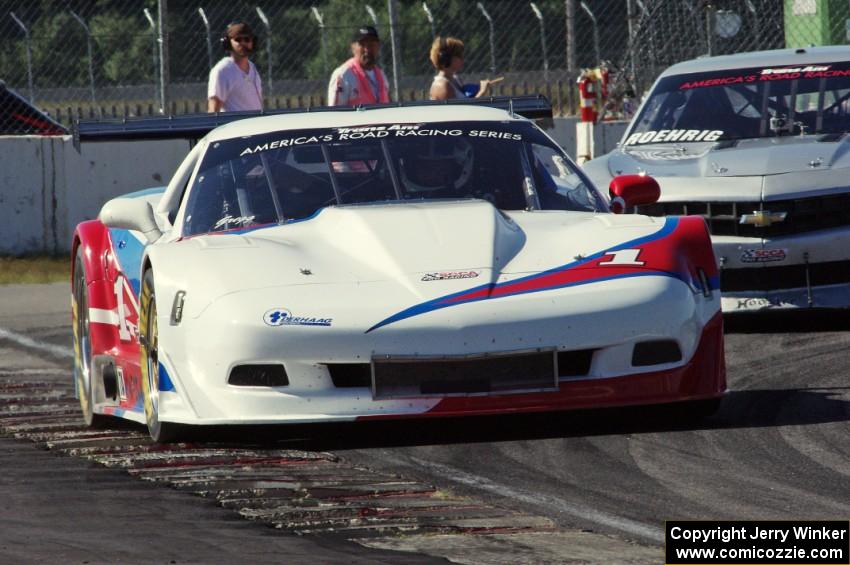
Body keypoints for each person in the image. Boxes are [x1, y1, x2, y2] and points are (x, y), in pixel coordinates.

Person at [327, 25, 390, 106]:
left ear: (378, 47)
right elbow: (335, 113)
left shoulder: (381, 75)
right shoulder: (344, 75)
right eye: (362, 44)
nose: (367, 50)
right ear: (353, 47)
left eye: (371, 44)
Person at [207, 22, 263, 112]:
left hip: (254, 124)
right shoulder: (223, 70)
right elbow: (214, 111)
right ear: (228, 43)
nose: (243, 43)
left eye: (247, 39)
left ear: (253, 42)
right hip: (234, 125)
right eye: (238, 39)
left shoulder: (252, 67)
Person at [429, 36, 500, 101]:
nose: (462, 59)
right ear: (446, 58)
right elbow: (461, 113)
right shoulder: (442, 86)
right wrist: (482, 91)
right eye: (459, 55)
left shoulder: (455, 79)